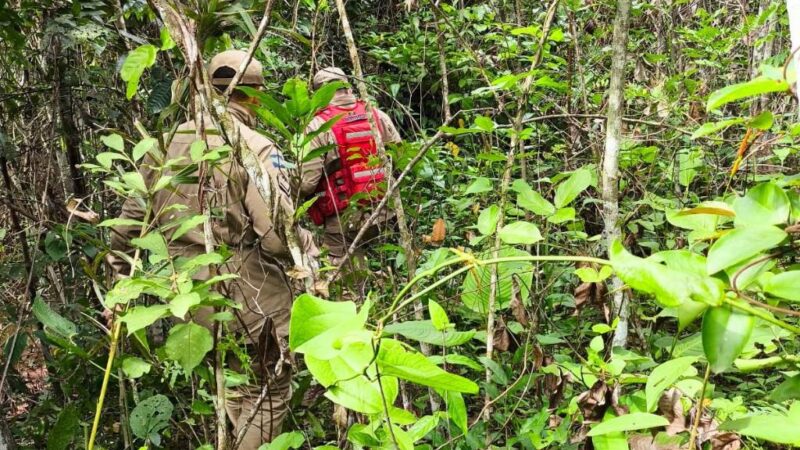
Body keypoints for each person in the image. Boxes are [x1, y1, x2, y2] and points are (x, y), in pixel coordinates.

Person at [109, 50, 317, 449]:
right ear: (254, 96)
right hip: (247, 292)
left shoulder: (163, 144)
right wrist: (308, 248)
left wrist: (120, 283)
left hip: (186, 296)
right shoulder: (253, 146)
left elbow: (130, 222)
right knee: (268, 391)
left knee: (234, 386)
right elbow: (276, 236)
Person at [297, 67, 401, 270]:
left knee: (344, 275)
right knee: (389, 264)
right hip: (385, 211)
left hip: (344, 219)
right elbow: (399, 157)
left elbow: (306, 184)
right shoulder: (376, 115)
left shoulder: (318, 125)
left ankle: (358, 296)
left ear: (319, 93)